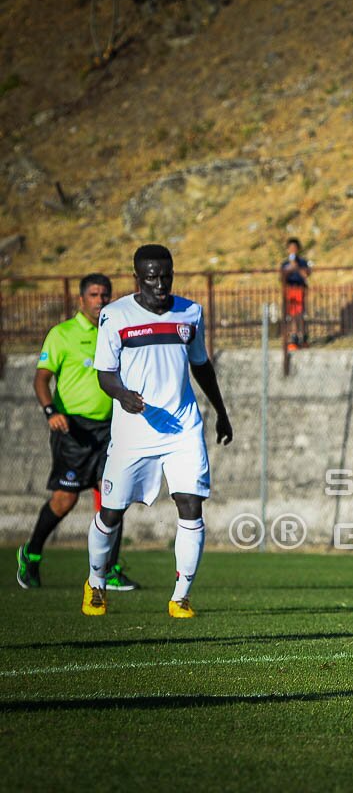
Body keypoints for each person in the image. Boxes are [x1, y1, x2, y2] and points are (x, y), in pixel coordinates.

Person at [85, 244, 233, 618]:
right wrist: (122, 395)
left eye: (165, 275)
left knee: (190, 504)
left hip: (182, 426)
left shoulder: (190, 312)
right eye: (151, 276)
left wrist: (221, 411)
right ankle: (96, 582)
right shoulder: (115, 315)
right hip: (135, 429)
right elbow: (105, 374)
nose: (160, 283)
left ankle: (181, 596)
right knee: (111, 513)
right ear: (137, 277)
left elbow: (201, 366)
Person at [17, 274, 138, 592]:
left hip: (108, 428)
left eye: (105, 295)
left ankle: (108, 569)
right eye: (95, 295)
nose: (101, 300)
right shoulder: (62, 334)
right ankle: (31, 554)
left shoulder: (115, 331)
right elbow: (41, 379)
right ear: (81, 299)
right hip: (72, 428)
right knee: (64, 500)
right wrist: (50, 412)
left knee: (113, 496)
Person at [280, 237, 311, 351]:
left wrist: (296, 266)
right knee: (292, 314)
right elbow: (281, 278)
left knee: (301, 314)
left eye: (295, 248)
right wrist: (289, 269)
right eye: (291, 248)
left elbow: (306, 275)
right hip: (290, 290)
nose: (293, 250)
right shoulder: (285, 264)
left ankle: (303, 336)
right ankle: (293, 337)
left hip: (300, 289)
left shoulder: (302, 262)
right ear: (288, 249)